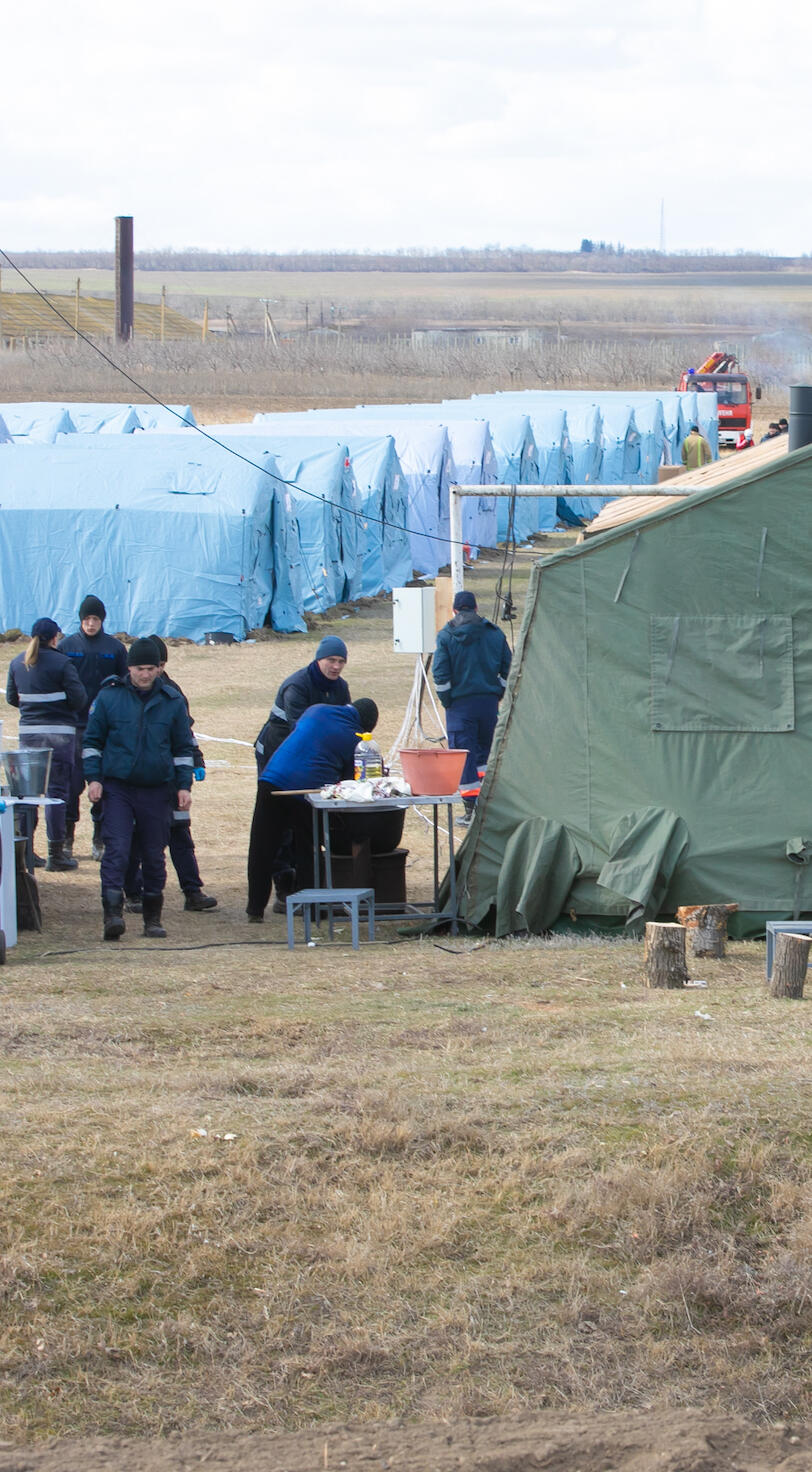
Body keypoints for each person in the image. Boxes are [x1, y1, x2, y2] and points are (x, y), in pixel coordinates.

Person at [83, 637, 195, 941]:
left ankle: (152, 919)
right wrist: (93, 778)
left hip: (157, 789)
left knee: (154, 855)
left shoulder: (172, 702)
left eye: (150, 668)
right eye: (139, 668)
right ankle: (112, 915)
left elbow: (183, 747)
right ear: (129, 668)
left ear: (159, 668)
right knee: (117, 850)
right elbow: (92, 742)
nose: (145, 674)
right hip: (117, 787)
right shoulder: (108, 698)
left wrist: (184, 785)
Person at [246, 697, 379, 923]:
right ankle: (314, 908)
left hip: (271, 778)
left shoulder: (316, 708)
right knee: (308, 848)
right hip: (305, 791)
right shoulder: (353, 738)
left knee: (262, 846)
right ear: (365, 726)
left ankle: (254, 909)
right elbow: (350, 782)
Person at [123, 636, 217, 914]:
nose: (155, 671)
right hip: (138, 782)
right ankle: (134, 893)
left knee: (180, 834)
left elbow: (184, 735)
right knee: (136, 838)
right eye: (152, 665)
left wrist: (195, 761)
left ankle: (192, 891)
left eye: (160, 664)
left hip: (170, 779)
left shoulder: (172, 693)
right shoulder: (121, 692)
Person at [6, 618, 87, 872]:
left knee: (26, 795)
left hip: (28, 735)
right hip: (60, 737)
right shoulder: (63, 663)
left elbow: (11, 698)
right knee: (56, 795)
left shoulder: (17, 662)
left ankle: (25, 852)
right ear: (55, 638)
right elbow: (79, 698)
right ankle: (56, 854)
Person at [433, 590, 512, 825]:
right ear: (476, 609)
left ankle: (470, 810)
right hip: (488, 704)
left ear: (455, 610)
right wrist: (497, 691)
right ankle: (487, 806)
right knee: (484, 756)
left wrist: (448, 700)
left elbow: (440, 673)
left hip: (459, 706)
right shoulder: (494, 633)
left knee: (462, 757)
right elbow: (510, 667)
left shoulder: (446, 636)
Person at [59, 595, 128, 862]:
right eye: (86, 619)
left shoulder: (115, 648)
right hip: (74, 726)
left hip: (105, 729)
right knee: (71, 784)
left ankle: (100, 838)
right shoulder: (67, 646)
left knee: (102, 784)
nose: (90, 624)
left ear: (102, 620)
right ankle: (66, 838)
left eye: (95, 619)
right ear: (80, 620)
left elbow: (125, 684)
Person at [254, 636, 351, 774]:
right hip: (277, 748)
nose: (336, 666)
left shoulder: (341, 687)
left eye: (341, 661)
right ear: (319, 659)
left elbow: (346, 722)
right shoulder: (297, 685)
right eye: (331, 660)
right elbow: (299, 727)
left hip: (312, 748)